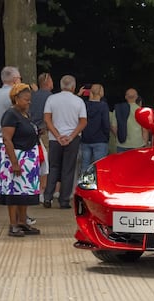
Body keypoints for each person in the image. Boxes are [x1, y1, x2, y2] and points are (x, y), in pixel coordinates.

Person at [0, 83, 41, 237]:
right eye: (25, 100)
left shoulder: (25, 115)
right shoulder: (10, 114)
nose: (28, 102)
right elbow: (7, 139)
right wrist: (14, 163)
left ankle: (23, 222)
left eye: (29, 100)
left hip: (28, 158)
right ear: (16, 99)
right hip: (15, 157)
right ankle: (13, 224)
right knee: (13, 191)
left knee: (24, 193)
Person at [43, 75, 87, 209]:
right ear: (73, 87)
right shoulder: (79, 101)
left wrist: (57, 135)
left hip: (55, 139)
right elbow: (83, 121)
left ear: (61, 85)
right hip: (72, 139)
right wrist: (71, 136)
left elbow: (47, 119)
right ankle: (64, 200)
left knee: (53, 167)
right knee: (68, 169)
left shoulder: (51, 99)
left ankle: (48, 197)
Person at [30, 72, 54, 202]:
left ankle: (33, 188)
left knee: (35, 161)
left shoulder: (32, 96)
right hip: (45, 132)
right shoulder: (50, 97)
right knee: (45, 162)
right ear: (47, 82)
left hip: (31, 132)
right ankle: (42, 191)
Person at [80, 84, 110, 173]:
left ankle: (83, 184)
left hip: (85, 139)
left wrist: (79, 94)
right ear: (101, 92)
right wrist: (106, 136)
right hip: (100, 139)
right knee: (99, 166)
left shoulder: (84, 105)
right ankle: (98, 185)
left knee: (85, 165)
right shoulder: (103, 106)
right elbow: (106, 123)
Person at [111, 88, 149, 153]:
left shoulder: (118, 110)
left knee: (123, 163)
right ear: (136, 97)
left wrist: (119, 136)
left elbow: (113, 127)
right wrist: (145, 144)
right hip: (137, 144)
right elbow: (144, 130)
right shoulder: (142, 111)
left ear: (126, 97)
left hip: (121, 144)